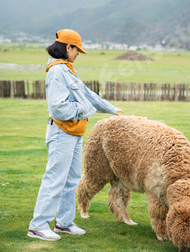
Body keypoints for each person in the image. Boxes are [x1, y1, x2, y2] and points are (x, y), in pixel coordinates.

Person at [28, 29, 123, 241]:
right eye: (76, 49)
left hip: (74, 133)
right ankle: (38, 225)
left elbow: (87, 94)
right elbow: (59, 108)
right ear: (67, 47)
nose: (78, 53)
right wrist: (86, 109)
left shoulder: (69, 70)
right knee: (55, 178)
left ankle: (64, 222)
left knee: (72, 179)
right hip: (61, 132)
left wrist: (110, 108)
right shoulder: (56, 72)